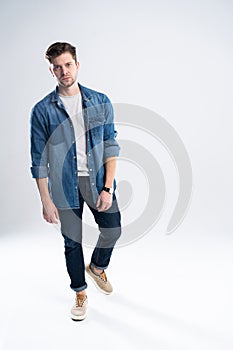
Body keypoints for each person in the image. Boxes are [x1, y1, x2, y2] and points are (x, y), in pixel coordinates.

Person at [30, 42, 121, 321]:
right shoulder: (42, 110)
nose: (63, 71)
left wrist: (107, 187)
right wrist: (45, 200)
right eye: (57, 67)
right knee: (72, 242)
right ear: (51, 70)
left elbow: (110, 146)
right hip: (63, 185)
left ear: (77, 65)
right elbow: (38, 157)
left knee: (113, 230)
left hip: (96, 181)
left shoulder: (100, 101)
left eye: (68, 65)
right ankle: (80, 293)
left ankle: (96, 268)